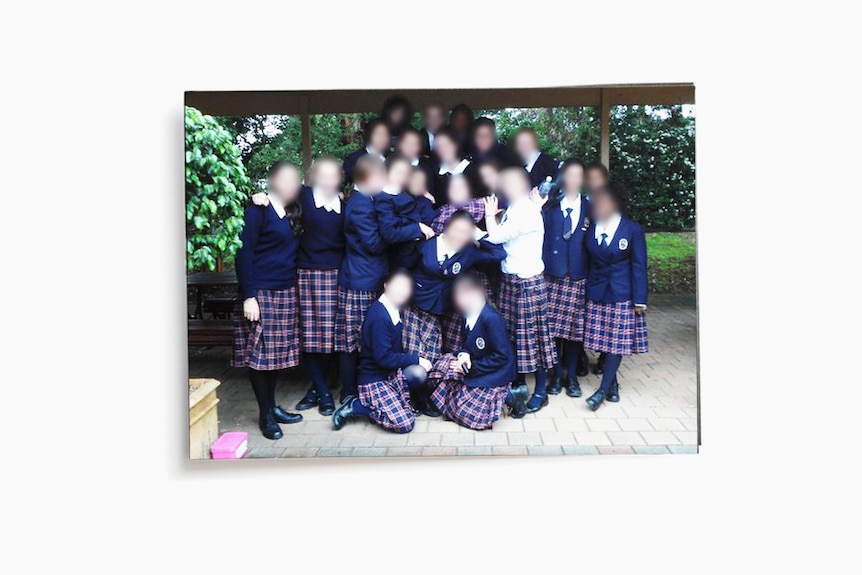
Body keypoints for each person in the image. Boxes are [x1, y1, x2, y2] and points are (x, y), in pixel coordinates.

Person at [231, 161, 304, 439]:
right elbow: (243, 253)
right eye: (284, 179)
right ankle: (265, 414)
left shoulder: (291, 210)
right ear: (272, 180)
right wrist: (249, 296)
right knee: (260, 356)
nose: (290, 185)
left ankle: (272, 408)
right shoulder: (257, 210)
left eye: (294, 180)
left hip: (285, 291)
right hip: (260, 292)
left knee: (273, 357)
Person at [482, 168, 557, 413]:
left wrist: (489, 214)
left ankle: (542, 391)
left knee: (535, 339)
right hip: (511, 282)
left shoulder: (526, 210)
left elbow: (495, 237)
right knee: (514, 337)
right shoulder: (516, 207)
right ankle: (519, 386)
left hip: (528, 283)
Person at [331, 269, 435, 433]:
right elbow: (384, 358)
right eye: (398, 286)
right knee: (405, 424)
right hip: (374, 379)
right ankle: (358, 406)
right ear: (386, 285)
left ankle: (393, 402)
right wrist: (416, 359)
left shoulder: (394, 309)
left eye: (406, 287)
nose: (402, 291)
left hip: (389, 375)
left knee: (419, 374)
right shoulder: (380, 316)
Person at [582, 182, 649, 411]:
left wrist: (640, 299)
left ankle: (601, 391)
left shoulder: (632, 230)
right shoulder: (591, 228)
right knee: (603, 341)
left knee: (616, 343)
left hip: (622, 293)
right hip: (597, 291)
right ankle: (613, 385)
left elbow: (639, 265)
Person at [429, 273, 527, 428]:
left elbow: (501, 356)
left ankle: (510, 396)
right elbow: (467, 344)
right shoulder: (466, 313)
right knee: (441, 367)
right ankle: (461, 397)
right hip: (474, 362)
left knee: (468, 414)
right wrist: (464, 356)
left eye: (464, 295)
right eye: (458, 296)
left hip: (495, 370)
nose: (459, 300)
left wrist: (471, 367)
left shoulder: (491, 319)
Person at [409, 210, 505, 354]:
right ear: (447, 227)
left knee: (450, 349)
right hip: (419, 304)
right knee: (422, 352)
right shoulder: (427, 243)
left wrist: (478, 235)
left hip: (447, 306)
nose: (460, 236)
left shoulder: (468, 252)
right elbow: (404, 264)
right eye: (457, 230)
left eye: (465, 232)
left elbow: (499, 254)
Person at [334, 155, 389, 404]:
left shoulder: (362, 200)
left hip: (363, 277)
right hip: (361, 281)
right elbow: (374, 244)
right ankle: (349, 392)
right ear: (367, 178)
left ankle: (354, 390)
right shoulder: (360, 205)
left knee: (358, 338)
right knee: (352, 340)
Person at [540, 158, 591, 398]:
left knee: (574, 332)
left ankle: (571, 377)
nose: (572, 180)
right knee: (552, 330)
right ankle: (556, 375)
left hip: (578, 276)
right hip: (552, 275)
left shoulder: (591, 208)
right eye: (568, 175)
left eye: (577, 175)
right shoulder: (549, 207)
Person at [375, 154, 436, 268]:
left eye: (405, 173)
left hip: (420, 247)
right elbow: (389, 233)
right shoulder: (383, 199)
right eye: (398, 172)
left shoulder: (404, 190)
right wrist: (418, 227)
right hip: (402, 256)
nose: (402, 177)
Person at [584, 161, 610, 375]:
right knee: (590, 317)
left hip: (609, 271)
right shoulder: (583, 202)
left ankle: (605, 358)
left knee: (609, 319)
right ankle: (583, 356)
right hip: (587, 266)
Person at [434, 127, 480, 206]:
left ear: (455, 145)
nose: (442, 149)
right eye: (438, 146)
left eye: (446, 144)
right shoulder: (435, 175)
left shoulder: (475, 172)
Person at [343, 118, 390, 185]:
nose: (382, 138)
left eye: (386, 134)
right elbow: (344, 184)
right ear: (369, 135)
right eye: (378, 134)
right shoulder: (353, 159)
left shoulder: (391, 158)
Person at [396, 126, 439, 192]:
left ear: (420, 147)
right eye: (407, 143)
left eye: (415, 143)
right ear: (399, 144)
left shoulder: (428, 167)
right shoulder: (392, 164)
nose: (410, 147)